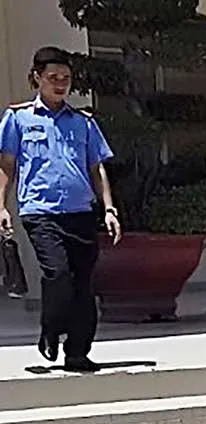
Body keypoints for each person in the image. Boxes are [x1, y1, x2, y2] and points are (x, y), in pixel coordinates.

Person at [0, 46, 121, 372]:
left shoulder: (83, 122)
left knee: (83, 283)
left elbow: (96, 168)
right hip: (40, 211)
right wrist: (2, 207)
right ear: (37, 78)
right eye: (53, 77)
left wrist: (109, 209)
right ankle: (51, 328)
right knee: (58, 273)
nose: (60, 83)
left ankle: (78, 352)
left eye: (65, 78)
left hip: (80, 211)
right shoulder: (18, 118)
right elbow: (7, 166)